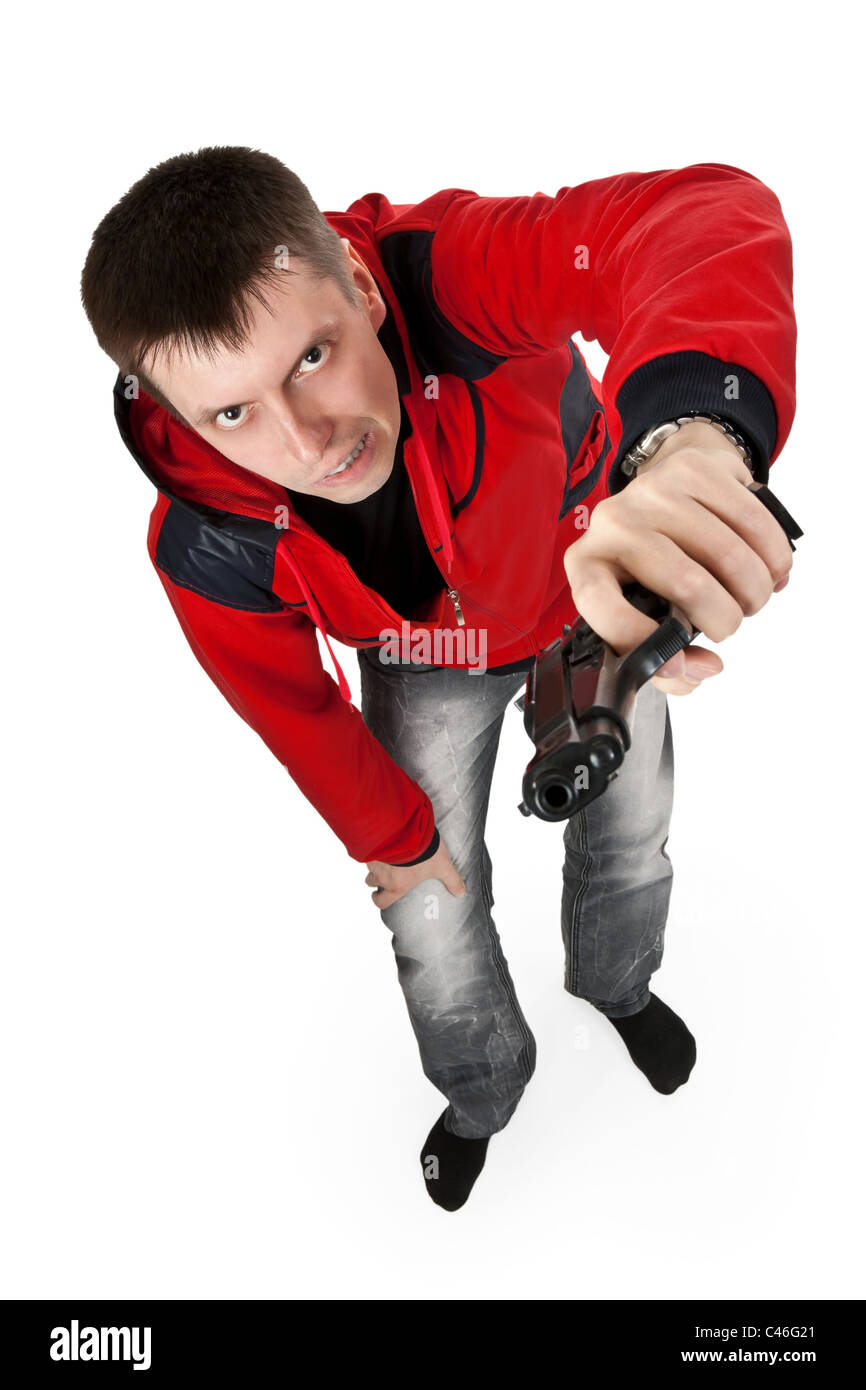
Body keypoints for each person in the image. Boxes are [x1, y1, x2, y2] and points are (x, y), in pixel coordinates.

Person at [80, 146, 797, 1211]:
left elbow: (698, 214)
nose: (303, 440)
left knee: (631, 824)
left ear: (362, 291)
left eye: (312, 357)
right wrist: (392, 840)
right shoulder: (204, 538)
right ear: (184, 420)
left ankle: (616, 983)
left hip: (585, 601)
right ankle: (481, 1091)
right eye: (231, 415)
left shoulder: (449, 276)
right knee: (424, 908)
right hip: (421, 667)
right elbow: (294, 713)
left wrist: (688, 439)